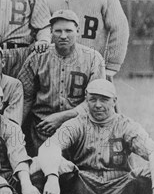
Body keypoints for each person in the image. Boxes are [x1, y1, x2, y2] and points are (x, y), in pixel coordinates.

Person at [35, 79, 154, 194]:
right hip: (84, 188)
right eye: (93, 99)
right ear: (86, 100)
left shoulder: (126, 125)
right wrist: (52, 176)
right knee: (48, 163)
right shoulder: (77, 123)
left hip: (119, 188)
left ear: (114, 101)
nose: (98, 105)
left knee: (149, 173)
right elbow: (50, 146)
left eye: (104, 99)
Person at [18, 9, 106, 155]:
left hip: (79, 127)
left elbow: (96, 99)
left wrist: (63, 117)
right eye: (58, 31)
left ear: (78, 31)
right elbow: (24, 97)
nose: (63, 36)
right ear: (51, 32)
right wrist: (15, 130)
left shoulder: (93, 58)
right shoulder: (38, 57)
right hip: (42, 129)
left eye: (68, 31)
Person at [47, 0, 129, 78]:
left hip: (93, 68)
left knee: (96, 98)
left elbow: (120, 28)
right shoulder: (53, 1)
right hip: (60, 68)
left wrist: (112, 65)